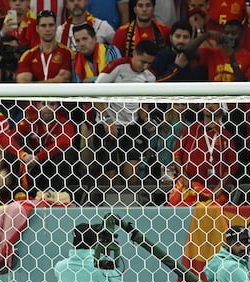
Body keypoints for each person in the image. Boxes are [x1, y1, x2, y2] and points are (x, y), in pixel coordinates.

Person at [93, 39, 158, 184]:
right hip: (106, 123)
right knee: (110, 173)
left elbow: (143, 107)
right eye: (142, 61)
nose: (145, 66)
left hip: (132, 126)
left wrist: (148, 121)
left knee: (132, 171)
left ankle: (131, 203)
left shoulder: (150, 76)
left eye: (149, 63)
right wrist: (106, 120)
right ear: (134, 53)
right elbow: (95, 92)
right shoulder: (117, 67)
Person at [169, 103, 237, 205]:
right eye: (207, 103)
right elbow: (176, 155)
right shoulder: (190, 131)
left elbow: (233, 165)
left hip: (214, 192)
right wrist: (184, 176)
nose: (210, 106)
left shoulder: (226, 135)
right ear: (201, 107)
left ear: (221, 108)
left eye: (214, 103)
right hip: (190, 190)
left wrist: (219, 188)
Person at [16, 9, 73, 83]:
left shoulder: (67, 53)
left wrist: (33, 84)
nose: (47, 29)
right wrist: (52, 82)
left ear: (56, 27)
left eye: (51, 25)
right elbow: (22, 83)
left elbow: (62, 80)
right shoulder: (28, 55)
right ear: (37, 28)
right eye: (43, 26)